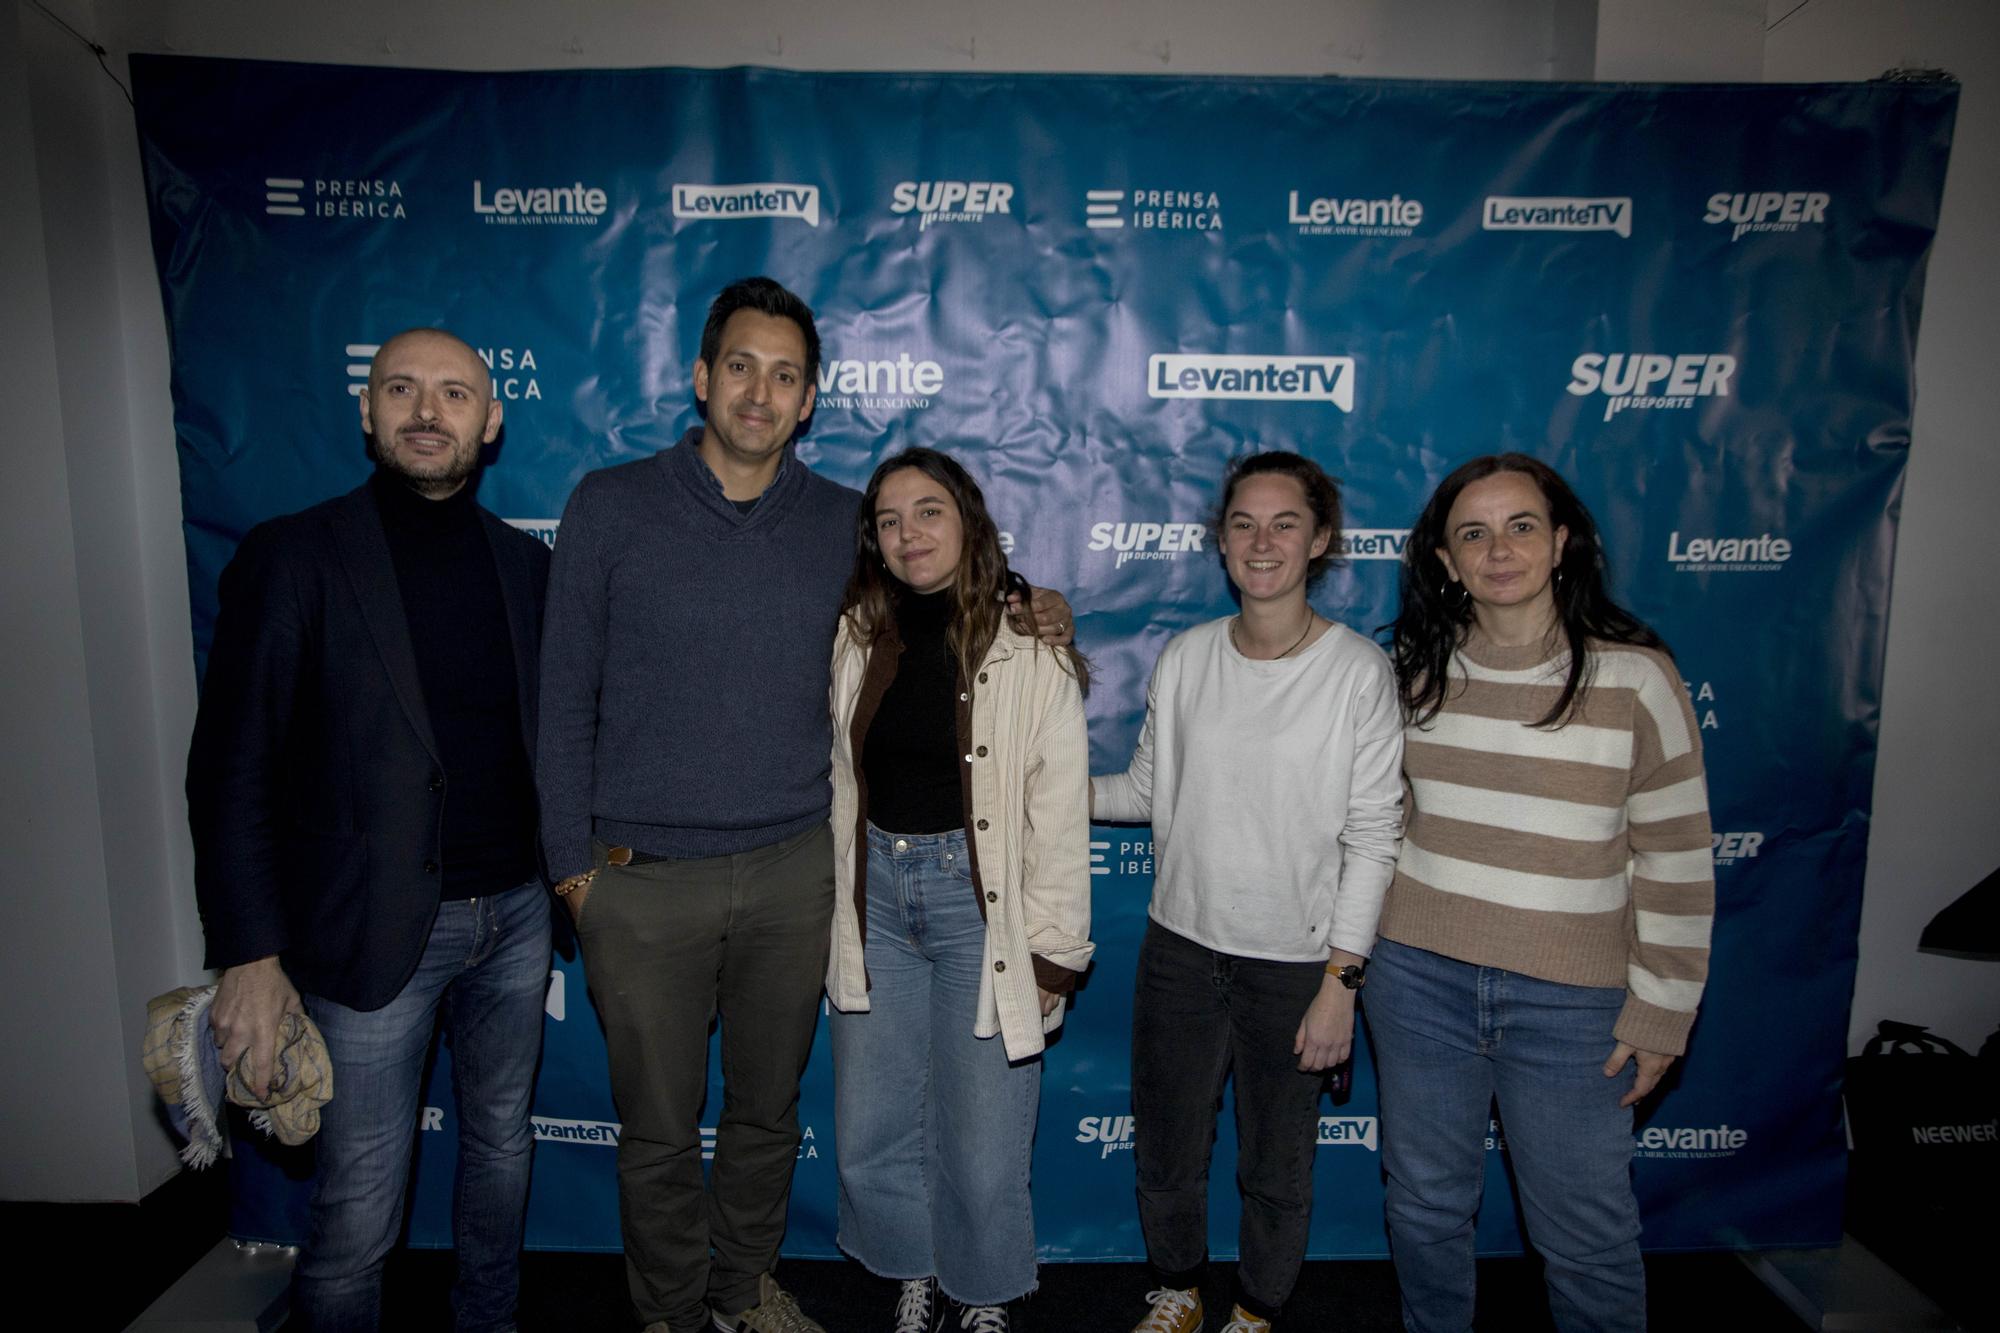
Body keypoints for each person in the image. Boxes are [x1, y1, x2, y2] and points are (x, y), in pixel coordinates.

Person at [537, 278, 1072, 1333]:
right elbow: (561, 696)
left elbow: (943, 593)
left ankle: (741, 1288)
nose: (758, 391)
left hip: (795, 874)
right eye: (740, 365)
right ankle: (673, 1310)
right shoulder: (609, 503)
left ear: (809, 397)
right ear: (701, 376)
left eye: (784, 374)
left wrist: (1033, 604)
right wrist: (572, 871)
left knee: (766, 1117)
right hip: (637, 879)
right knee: (654, 1128)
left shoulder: (842, 524)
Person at [187, 328, 553, 1333]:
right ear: (366, 410)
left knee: (501, 1149)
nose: (426, 410)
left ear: (492, 420)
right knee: (357, 1207)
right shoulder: (294, 555)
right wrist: (250, 954)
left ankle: (490, 1318)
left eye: (452, 393)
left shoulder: (525, 568)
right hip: (371, 932)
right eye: (402, 389)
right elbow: (231, 767)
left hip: (516, 918)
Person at [1370, 453, 1714, 1333]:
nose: (1499, 550)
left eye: (1522, 525)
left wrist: (1663, 1011)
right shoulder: (1408, 671)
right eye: (1472, 533)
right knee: (1423, 1210)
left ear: (1562, 541)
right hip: (1417, 983)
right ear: (1444, 560)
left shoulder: (1636, 677)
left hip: (1572, 1006)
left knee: (1585, 1236)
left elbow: (1674, 852)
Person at [1093, 452, 1405, 1333]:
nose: (1261, 541)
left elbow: (1375, 836)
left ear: (1321, 540)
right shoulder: (1186, 657)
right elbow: (1147, 794)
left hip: (1298, 966)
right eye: (1243, 523)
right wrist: (1043, 791)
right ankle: (1181, 1290)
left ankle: (1259, 1309)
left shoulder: (1355, 673)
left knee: (1275, 1163)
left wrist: (1341, 982)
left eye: (1284, 523)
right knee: (1167, 1148)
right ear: (1221, 541)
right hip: (1179, 952)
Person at [824, 449, 1094, 1333]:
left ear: (968, 520)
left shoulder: (1031, 649)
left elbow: (1057, 811)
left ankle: (980, 1290)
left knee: (983, 1140)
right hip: (875, 900)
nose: (910, 534)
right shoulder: (854, 635)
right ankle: (914, 1270)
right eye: (891, 520)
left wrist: (1058, 947)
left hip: (982, 907)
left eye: (929, 511)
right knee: (871, 1128)